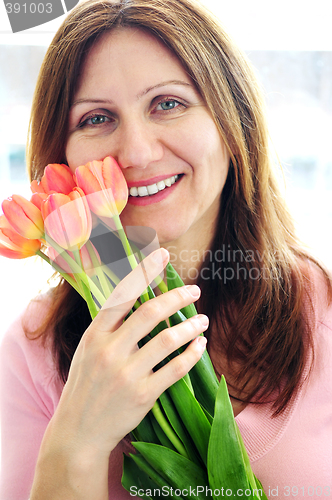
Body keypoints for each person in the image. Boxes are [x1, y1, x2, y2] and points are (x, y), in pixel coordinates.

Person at [1, 0, 332, 498]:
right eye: (96, 117)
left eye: (168, 103)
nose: (136, 152)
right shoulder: (31, 353)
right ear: (60, 154)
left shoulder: (323, 311)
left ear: (231, 119)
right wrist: (77, 442)